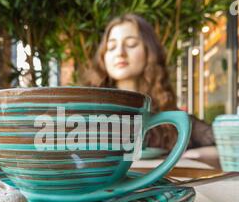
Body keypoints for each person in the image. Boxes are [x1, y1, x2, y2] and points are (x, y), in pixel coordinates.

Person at [83, 13, 215, 152]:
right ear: (103, 56)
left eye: (131, 44)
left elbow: (225, 144)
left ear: (149, 52)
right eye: (111, 47)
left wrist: (193, 155)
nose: (120, 53)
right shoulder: (87, 112)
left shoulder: (172, 120)